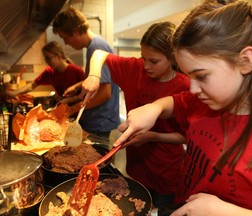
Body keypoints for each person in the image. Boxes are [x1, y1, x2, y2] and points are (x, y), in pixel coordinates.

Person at [82, 0, 252, 215]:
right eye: (188, 76)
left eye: (201, 76)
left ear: (245, 61)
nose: (193, 88)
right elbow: (174, 102)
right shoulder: (203, 101)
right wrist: (154, 107)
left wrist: (222, 211)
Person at [81, 22, 190, 210]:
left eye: (154, 61)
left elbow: (185, 136)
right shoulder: (135, 69)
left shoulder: (185, 86)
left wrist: (152, 136)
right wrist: (94, 76)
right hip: (137, 168)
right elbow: (99, 54)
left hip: (166, 172)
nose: (146, 65)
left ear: (173, 58)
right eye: (143, 57)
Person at [52, 6, 120, 142]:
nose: (65, 42)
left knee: (96, 161)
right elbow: (98, 81)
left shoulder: (96, 48)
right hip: (97, 119)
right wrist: (77, 86)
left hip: (100, 122)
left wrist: (71, 109)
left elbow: (105, 93)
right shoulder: (92, 47)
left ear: (76, 32)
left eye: (64, 37)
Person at [6, 41, 85, 97]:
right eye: (45, 59)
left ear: (58, 56)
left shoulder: (76, 71)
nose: (47, 62)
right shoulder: (49, 72)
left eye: (48, 58)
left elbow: (86, 92)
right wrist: (14, 93)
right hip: (65, 110)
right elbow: (32, 86)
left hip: (80, 112)